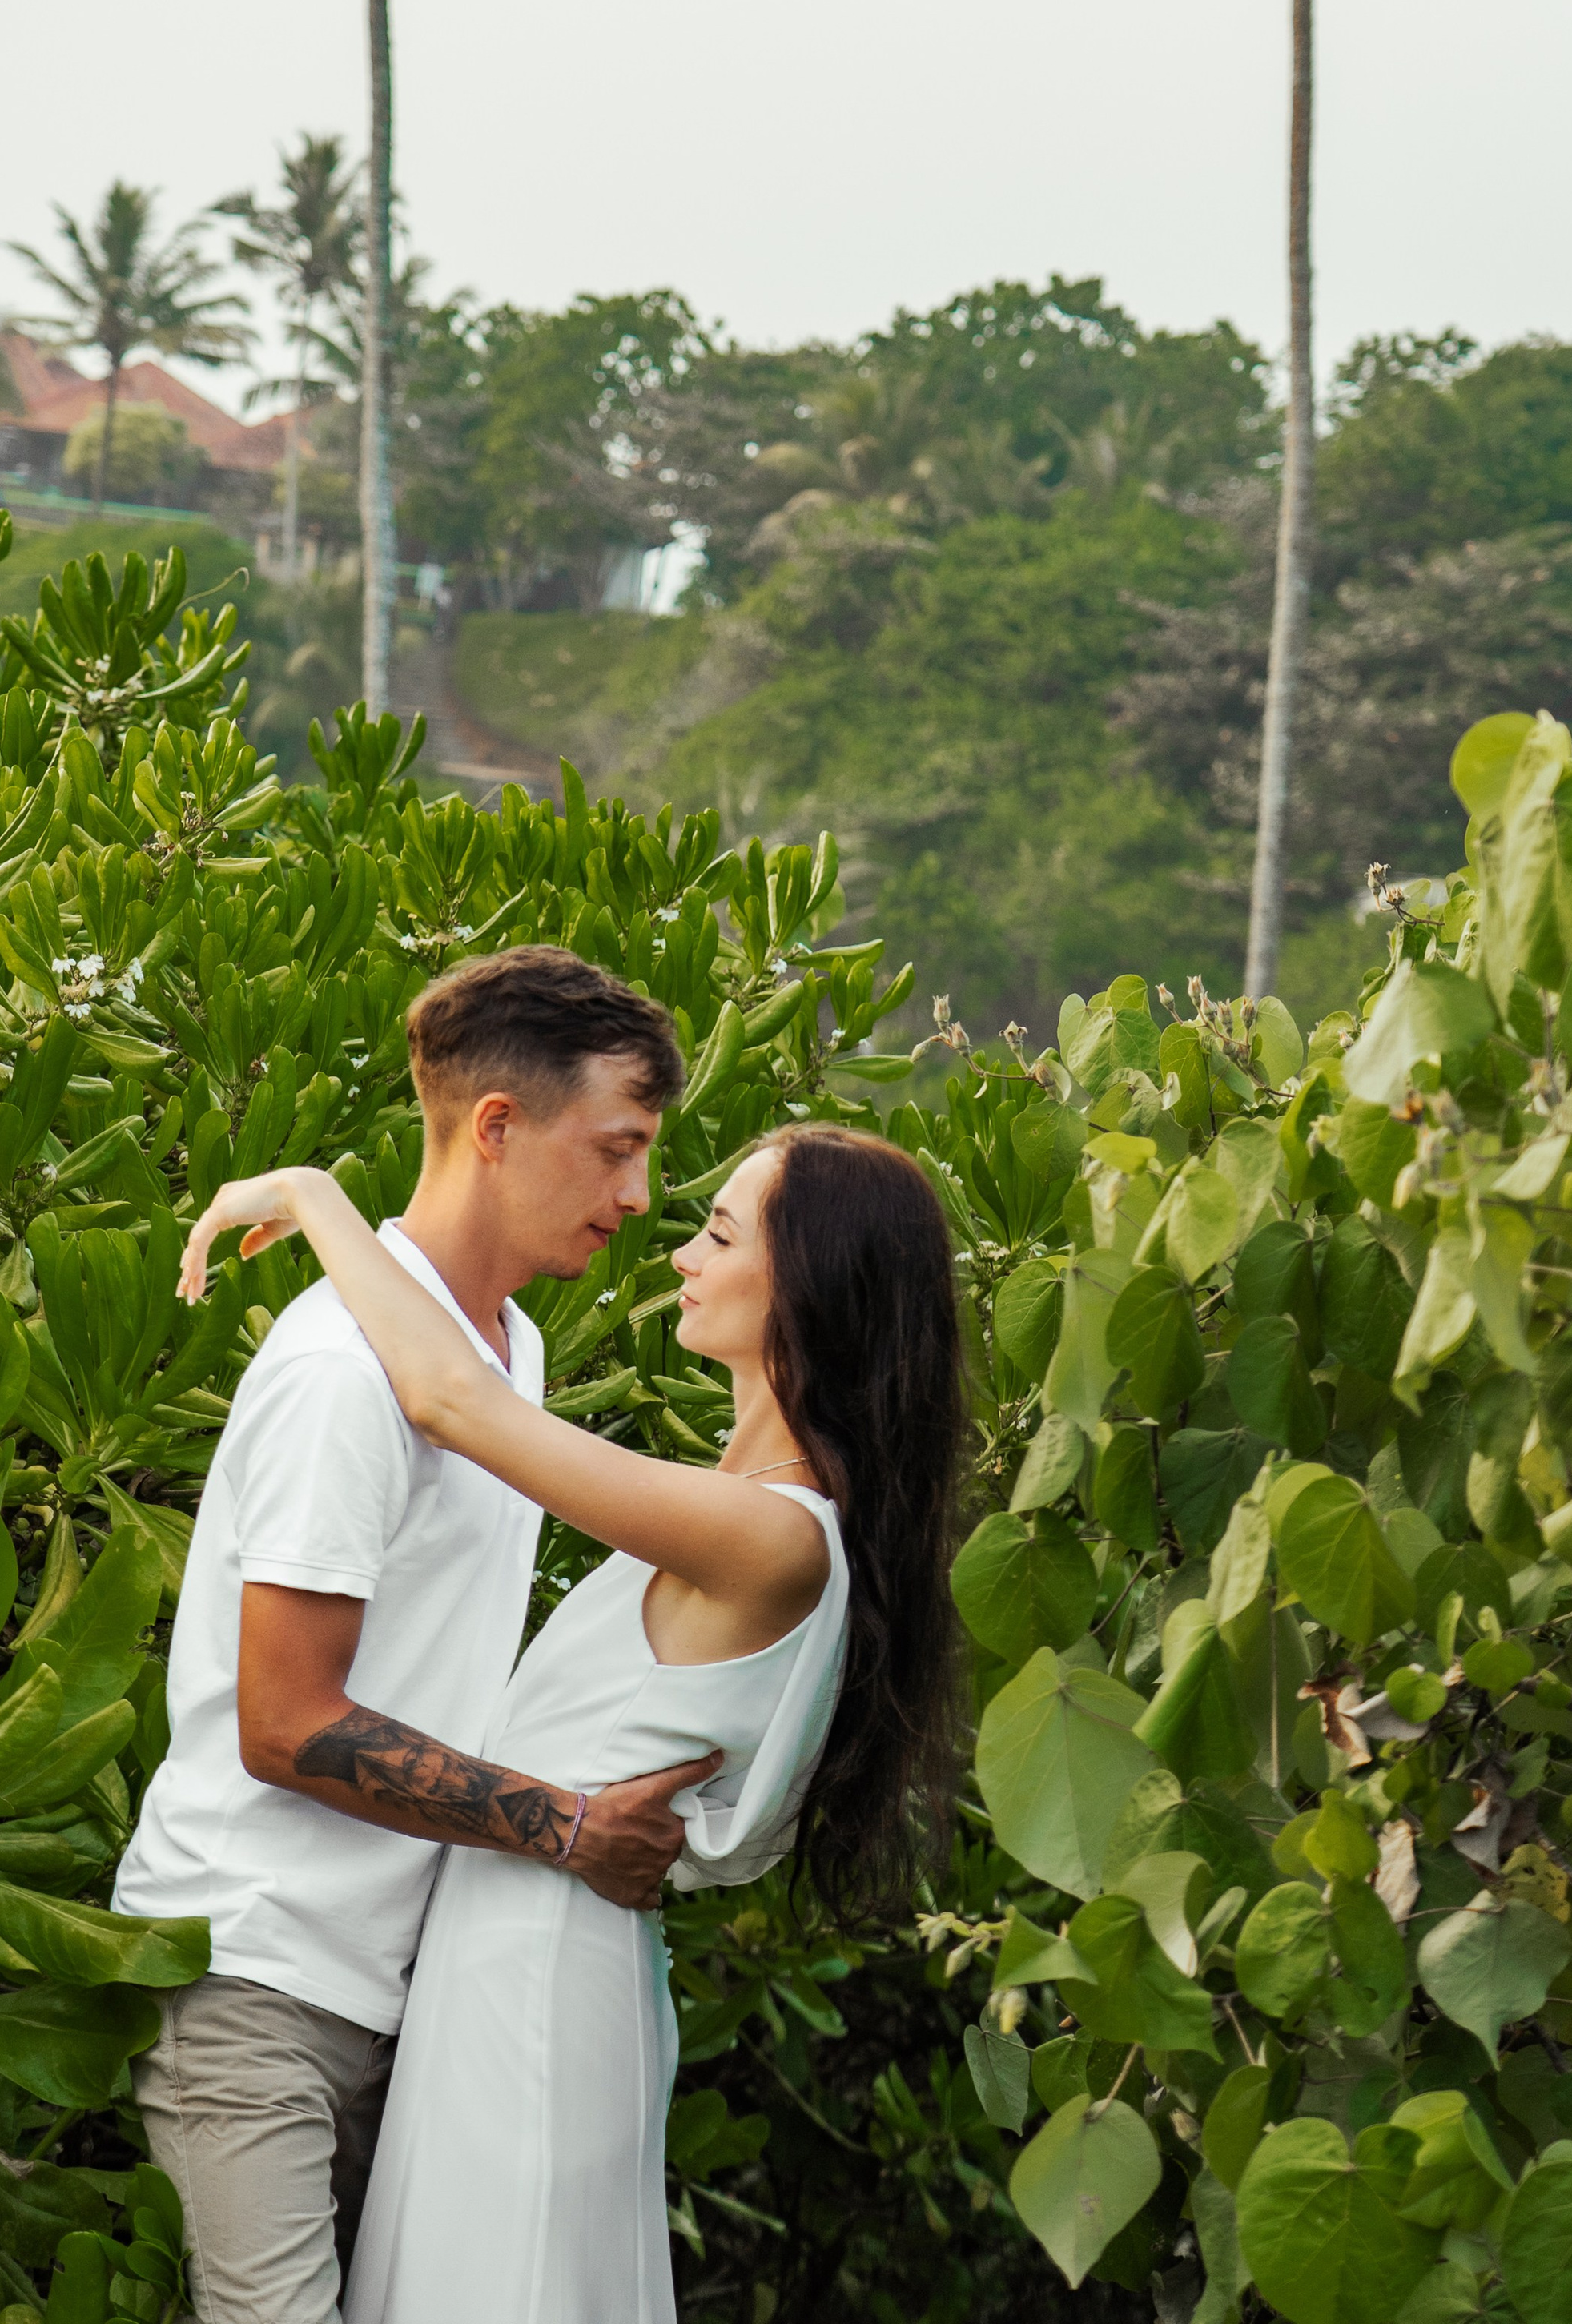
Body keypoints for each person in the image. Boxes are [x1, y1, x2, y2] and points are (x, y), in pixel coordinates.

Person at [179, 1120, 967, 2324]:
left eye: (716, 1232)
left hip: (537, 1969)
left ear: (808, 1281)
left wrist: (316, 1196)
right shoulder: (739, 1505)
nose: (677, 1256)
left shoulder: (771, 1530)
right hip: (501, 1948)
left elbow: (451, 1397)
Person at [115, 944, 706, 2324]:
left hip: (406, 1984)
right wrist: (567, 1824)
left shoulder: (510, 1351)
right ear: (497, 1128)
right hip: (255, 1971)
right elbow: (287, 1722)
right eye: (615, 1149)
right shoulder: (339, 1374)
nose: (635, 1195)